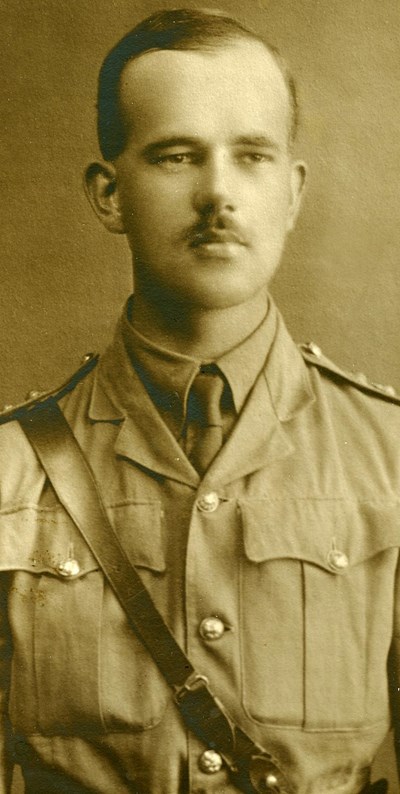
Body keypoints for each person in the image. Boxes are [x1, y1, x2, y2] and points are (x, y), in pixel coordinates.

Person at [0, 7, 399, 794]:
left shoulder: (389, 457)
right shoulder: (11, 470)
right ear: (110, 193)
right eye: (177, 156)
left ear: (291, 192)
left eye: (251, 156)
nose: (218, 193)